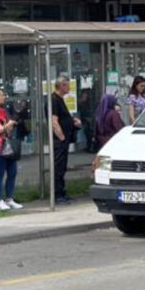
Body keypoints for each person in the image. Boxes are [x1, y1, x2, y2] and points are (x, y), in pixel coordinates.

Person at [49, 74, 81, 204]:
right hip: (59, 141)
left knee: (62, 167)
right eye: (67, 85)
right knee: (58, 167)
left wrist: (72, 122)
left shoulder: (60, 99)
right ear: (61, 86)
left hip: (64, 139)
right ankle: (57, 195)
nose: (69, 88)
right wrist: (61, 137)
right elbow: (54, 121)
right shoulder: (54, 100)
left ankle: (62, 192)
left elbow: (62, 118)